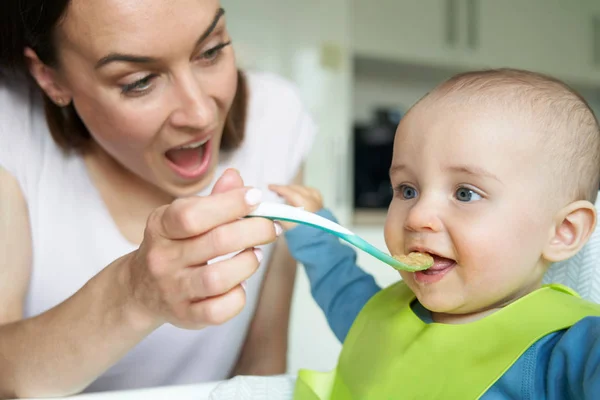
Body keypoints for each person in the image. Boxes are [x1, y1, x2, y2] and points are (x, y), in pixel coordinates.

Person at [0, 0, 316, 397]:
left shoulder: (276, 119)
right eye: (139, 81)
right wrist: (133, 293)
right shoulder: (9, 125)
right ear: (49, 78)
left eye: (212, 51)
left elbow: (261, 373)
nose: (200, 114)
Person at [270, 69, 600, 399]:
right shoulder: (377, 319)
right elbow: (339, 284)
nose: (418, 216)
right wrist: (310, 227)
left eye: (465, 193)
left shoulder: (568, 348)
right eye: (407, 190)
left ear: (563, 232)